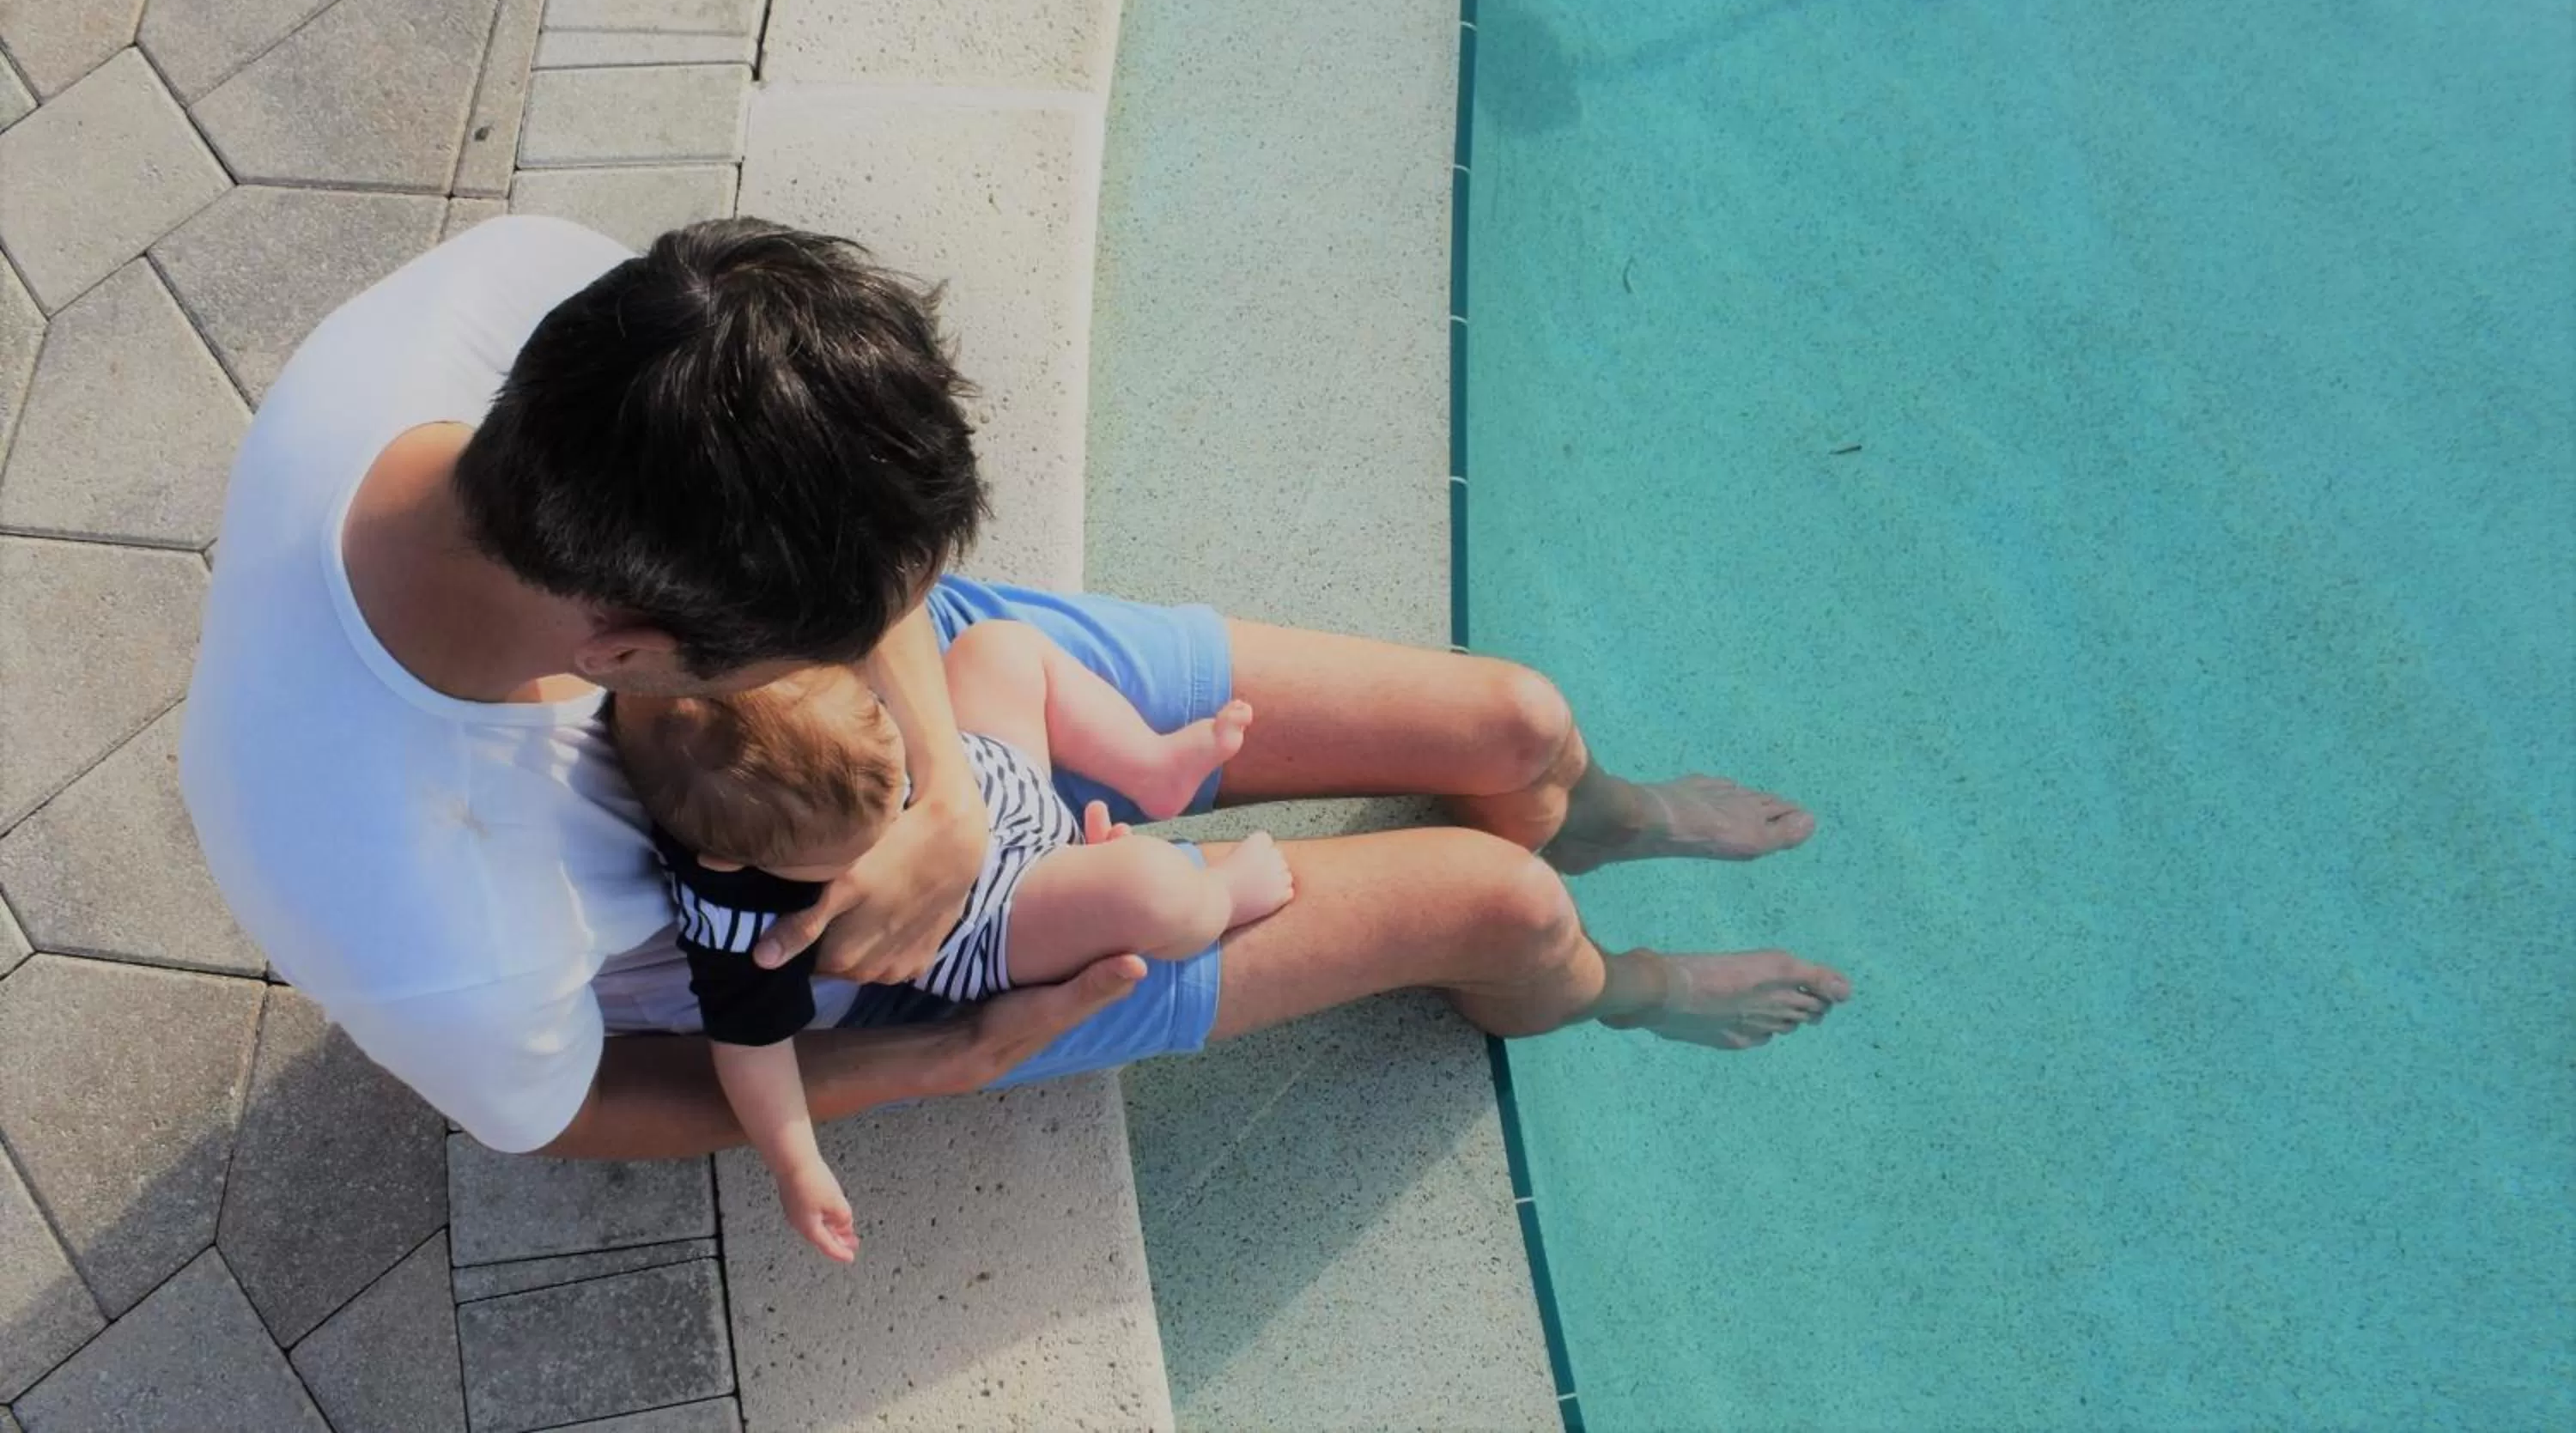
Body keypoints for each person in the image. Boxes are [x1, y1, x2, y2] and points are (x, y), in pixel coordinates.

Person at [180, 216, 1850, 1167]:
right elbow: (576, 1113)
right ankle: (1609, 983)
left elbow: (879, 576)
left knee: (1522, 721)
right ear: (630, 649)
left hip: (966, 700)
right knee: (1498, 906)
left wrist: (951, 778)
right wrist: (954, 1051)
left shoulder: (520, 310)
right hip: (899, 949)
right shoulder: (396, 889)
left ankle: (1604, 809)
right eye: (817, 633)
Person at [611, 627, 1291, 1260]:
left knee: (995, 651)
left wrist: (932, 783)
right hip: (997, 907)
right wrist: (798, 1165)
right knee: (1152, 893)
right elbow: (749, 1051)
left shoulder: (783, 687)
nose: (896, 835)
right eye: (860, 847)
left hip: (979, 779)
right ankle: (1222, 898)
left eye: (883, 746)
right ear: (735, 863)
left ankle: (1151, 765)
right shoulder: (733, 917)